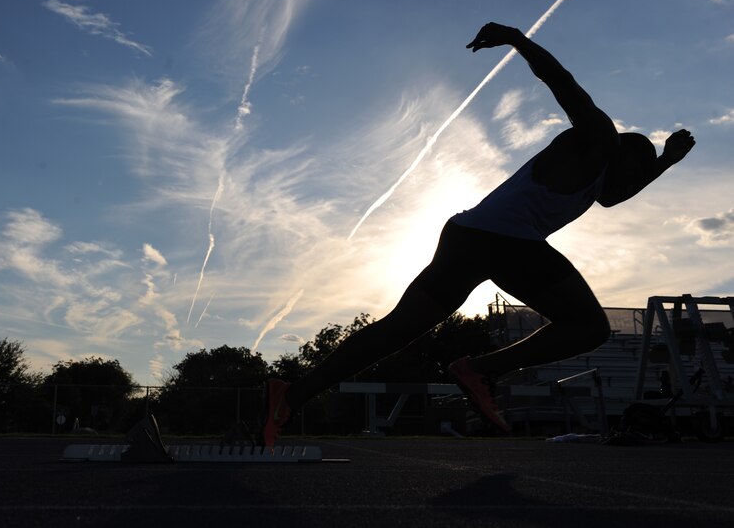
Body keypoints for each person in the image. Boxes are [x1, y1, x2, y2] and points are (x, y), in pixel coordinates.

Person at [261, 22, 696, 445]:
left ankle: (291, 395)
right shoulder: (599, 137)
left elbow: (615, 196)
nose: (630, 185)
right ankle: (480, 369)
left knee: (397, 329)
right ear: (625, 156)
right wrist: (516, 40)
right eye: (638, 171)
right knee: (589, 326)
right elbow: (561, 81)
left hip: (466, 236)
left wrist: (666, 164)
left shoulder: (600, 182)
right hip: (504, 241)